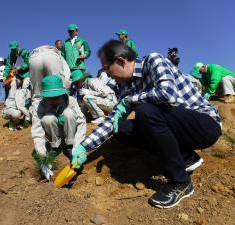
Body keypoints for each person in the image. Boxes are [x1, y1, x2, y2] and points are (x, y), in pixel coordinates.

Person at [71, 40, 222, 209]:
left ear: (121, 61)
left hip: (204, 124)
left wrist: (130, 101)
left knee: (145, 111)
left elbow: (167, 93)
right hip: (178, 128)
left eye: (107, 68)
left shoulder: (153, 61)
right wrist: (84, 147)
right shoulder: (126, 87)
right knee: (121, 129)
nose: (107, 74)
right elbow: (111, 121)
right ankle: (185, 156)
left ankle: (181, 182)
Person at [31, 75, 86, 180]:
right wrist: (43, 159)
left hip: (70, 132)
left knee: (68, 113)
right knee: (48, 119)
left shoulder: (71, 101)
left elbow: (81, 123)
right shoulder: (40, 105)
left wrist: (77, 147)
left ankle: (69, 147)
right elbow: (37, 132)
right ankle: (56, 147)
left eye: (56, 97)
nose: (53, 100)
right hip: (54, 134)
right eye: (50, 98)